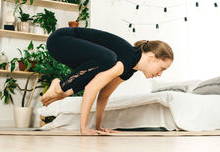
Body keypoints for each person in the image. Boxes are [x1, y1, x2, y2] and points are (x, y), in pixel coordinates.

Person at [40, 27, 174, 135]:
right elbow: (92, 89)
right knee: (108, 58)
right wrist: (84, 128)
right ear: (151, 57)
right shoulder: (128, 58)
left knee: (95, 74)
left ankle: (60, 88)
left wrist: (99, 126)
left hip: (68, 50)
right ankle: (60, 87)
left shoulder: (128, 70)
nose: (160, 74)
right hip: (60, 40)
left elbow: (104, 95)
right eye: (162, 68)